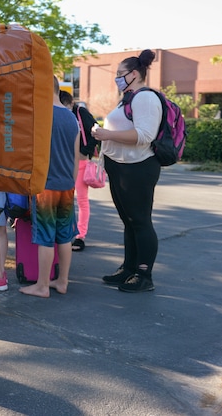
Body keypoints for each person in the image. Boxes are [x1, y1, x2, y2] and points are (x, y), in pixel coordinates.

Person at [92, 49, 161, 293]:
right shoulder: (129, 98)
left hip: (138, 168)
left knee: (140, 221)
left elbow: (144, 135)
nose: (117, 78)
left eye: (120, 74)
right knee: (129, 222)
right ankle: (129, 268)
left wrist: (108, 134)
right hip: (121, 166)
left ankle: (144, 274)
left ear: (134, 74)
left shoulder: (145, 98)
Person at [19, 76, 79, 298]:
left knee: (45, 236)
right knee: (64, 236)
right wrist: (71, 182)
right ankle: (62, 281)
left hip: (45, 186)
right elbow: (75, 157)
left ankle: (42, 285)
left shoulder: (40, 117)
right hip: (67, 185)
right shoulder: (72, 118)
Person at [59, 90, 98, 252]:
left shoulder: (80, 113)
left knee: (81, 200)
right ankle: (66, 234)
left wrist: (85, 151)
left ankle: (80, 236)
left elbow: (96, 132)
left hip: (80, 161)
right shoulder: (60, 114)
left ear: (71, 104)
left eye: (65, 107)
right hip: (64, 161)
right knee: (64, 199)